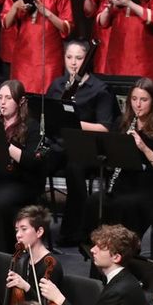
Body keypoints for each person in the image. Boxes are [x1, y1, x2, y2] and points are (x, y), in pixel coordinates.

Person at [48, 40, 120, 246]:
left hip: (85, 148)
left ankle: (73, 232)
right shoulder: (57, 85)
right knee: (32, 163)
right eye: (69, 57)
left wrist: (73, 123)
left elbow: (105, 128)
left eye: (78, 58)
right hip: (57, 145)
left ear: (87, 60)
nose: (73, 63)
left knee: (74, 170)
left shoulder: (99, 89)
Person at [0, 81, 50, 236]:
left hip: (21, 181)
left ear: (20, 102)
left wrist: (5, 144)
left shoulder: (32, 126)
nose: (2, 102)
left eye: (8, 98)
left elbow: (33, 162)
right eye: (0, 97)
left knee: (0, 201)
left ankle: (3, 249)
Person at [103, 77, 153, 241]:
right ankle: (100, 249)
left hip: (151, 189)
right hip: (124, 184)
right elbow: (110, 158)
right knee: (96, 202)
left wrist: (144, 148)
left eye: (144, 100)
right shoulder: (121, 123)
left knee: (127, 205)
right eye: (134, 99)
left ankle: (125, 249)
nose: (138, 105)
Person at [1, 0, 73, 92]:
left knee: (48, 98)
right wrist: (15, 7)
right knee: (21, 97)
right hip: (24, 57)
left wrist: (46, 13)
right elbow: (5, 23)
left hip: (49, 57)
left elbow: (67, 27)